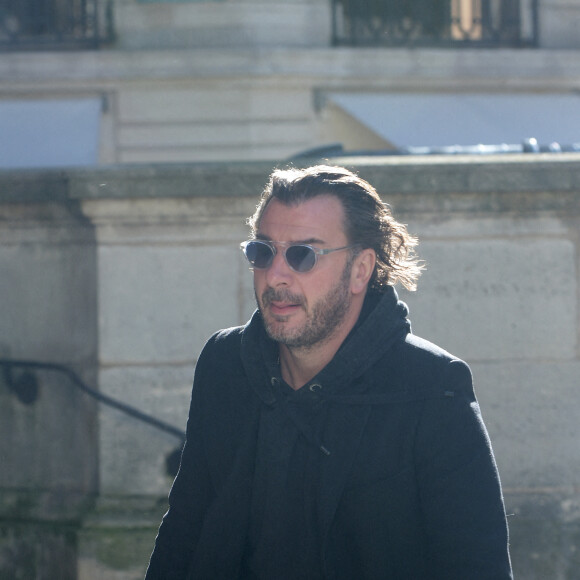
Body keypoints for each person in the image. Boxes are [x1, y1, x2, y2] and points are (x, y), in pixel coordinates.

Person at [145, 165, 513, 579]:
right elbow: (183, 532)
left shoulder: (432, 387)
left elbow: (478, 568)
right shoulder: (224, 362)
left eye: (304, 254)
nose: (277, 275)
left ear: (360, 270)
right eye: (263, 252)